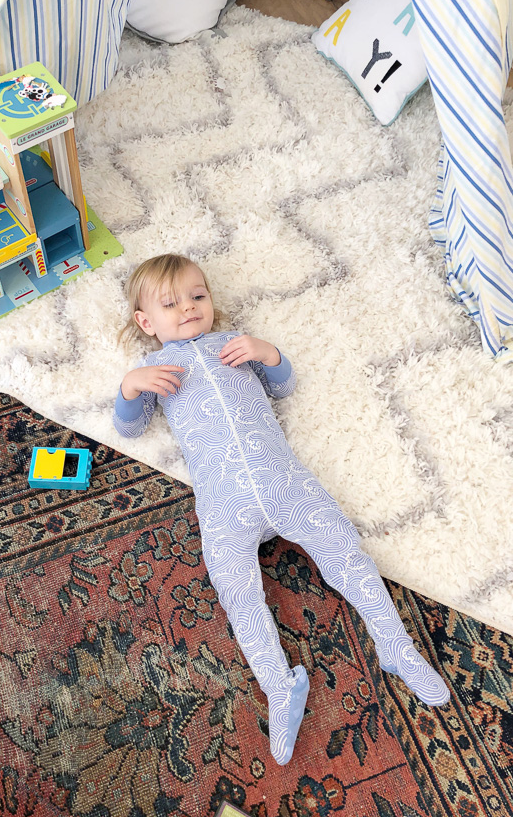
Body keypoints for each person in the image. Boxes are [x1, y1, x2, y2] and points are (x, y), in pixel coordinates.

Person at [113, 254, 449, 766]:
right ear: (146, 322)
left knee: (346, 553)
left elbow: (284, 385)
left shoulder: (235, 344)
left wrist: (268, 353)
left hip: (285, 481)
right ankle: (278, 683)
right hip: (224, 503)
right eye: (170, 303)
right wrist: (129, 388)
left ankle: (395, 645)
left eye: (198, 297)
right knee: (235, 588)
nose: (188, 308)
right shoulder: (152, 372)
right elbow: (130, 427)